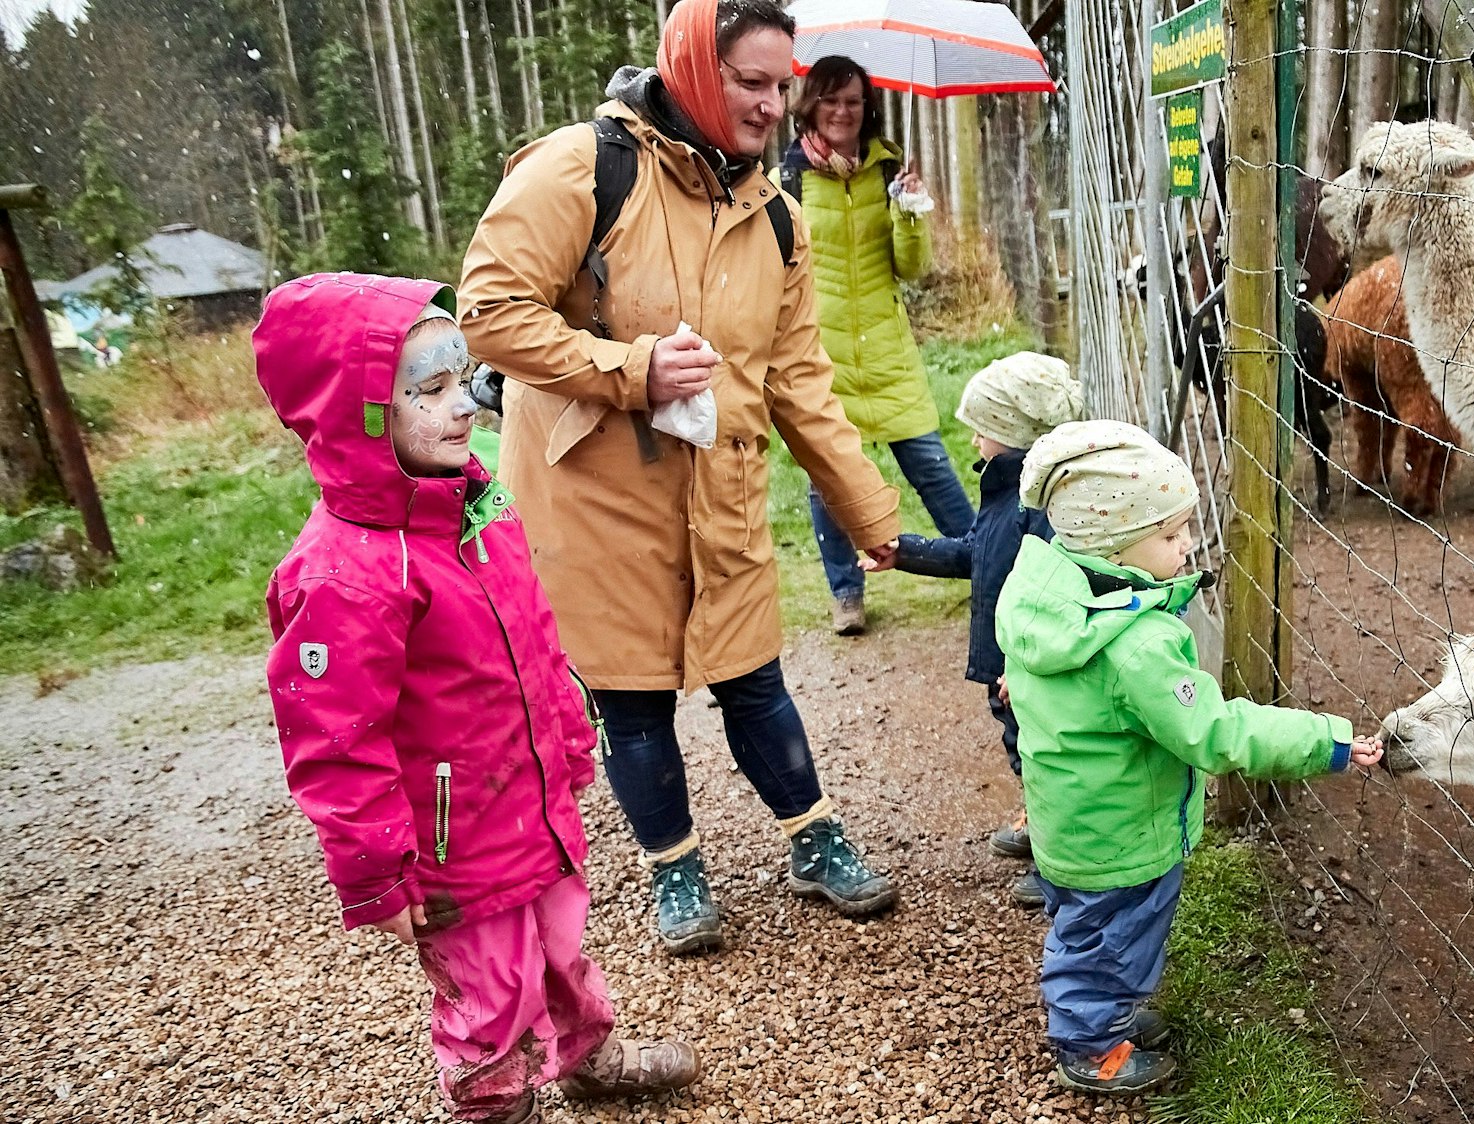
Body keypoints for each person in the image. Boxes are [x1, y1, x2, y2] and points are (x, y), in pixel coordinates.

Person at [458, 0, 905, 956]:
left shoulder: (778, 217)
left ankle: (812, 838)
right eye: (751, 82)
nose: (774, 105)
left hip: (723, 489)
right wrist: (631, 370)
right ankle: (674, 868)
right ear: (696, 70)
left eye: (782, 83)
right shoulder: (580, 168)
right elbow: (488, 312)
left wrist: (868, 509)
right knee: (631, 696)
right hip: (594, 499)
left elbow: (798, 381)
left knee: (754, 678)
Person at [256, 274, 700, 1124]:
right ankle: (493, 1105)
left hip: (531, 803)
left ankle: (586, 1055)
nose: (464, 406)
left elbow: (532, 628)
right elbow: (333, 743)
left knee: (564, 949)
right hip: (452, 851)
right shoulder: (343, 575)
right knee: (488, 993)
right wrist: (375, 873)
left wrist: (571, 736)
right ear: (362, 416)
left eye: (463, 381)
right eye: (429, 390)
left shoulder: (477, 501)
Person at [995, 420, 1385, 1096]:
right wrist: (1326, 742)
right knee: (1110, 945)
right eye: (1170, 535)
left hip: (1071, 819)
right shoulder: (1138, 645)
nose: (1186, 546)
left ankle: (1103, 1015)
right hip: (1123, 837)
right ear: (1114, 543)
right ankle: (1090, 1046)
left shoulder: (1045, 594)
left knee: (1087, 927)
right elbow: (1215, 732)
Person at [861, 352, 1082, 909]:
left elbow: (1054, 597)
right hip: (1010, 663)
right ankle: (1045, 828)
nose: (975, 440)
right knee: (1024, 751)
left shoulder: (1041, 507)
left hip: (1029, 665)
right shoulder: (1006, 490)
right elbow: (977, 554)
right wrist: (906, 552)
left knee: (1048, 758)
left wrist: (1025, 667)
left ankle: (1068, 869)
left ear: (1011, 434)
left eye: (983, 428)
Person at [781, 55, 974, 636]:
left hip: (888, 350)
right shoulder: (786, 181)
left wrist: (910, 211)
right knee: (828, 479)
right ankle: (847, 593)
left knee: (932, 466)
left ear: (868, 109)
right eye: (832, 100)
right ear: (811, 104)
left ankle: (983, 561)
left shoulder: (889, 173)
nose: (843, 111)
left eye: (855, 101)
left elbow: (911, 268)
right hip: (824, 356)